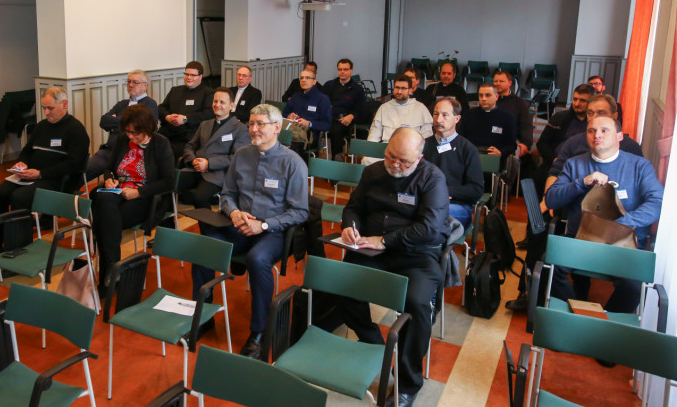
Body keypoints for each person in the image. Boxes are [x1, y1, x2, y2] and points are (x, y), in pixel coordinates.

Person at [325, 127, 450, 407]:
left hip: (416, 254)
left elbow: (430, 228)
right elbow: (353, 207)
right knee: (341, 282)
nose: (395, 164)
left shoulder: (433, 179)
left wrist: (384, 241)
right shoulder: (373, 172)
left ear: (419, 158)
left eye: (404, 161)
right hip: (370, 248)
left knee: (417, 304)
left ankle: (407, 383)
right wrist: (350, 227)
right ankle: (376, 346)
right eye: (391, 156)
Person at [506, 94, 644, 311]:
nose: (594, 118)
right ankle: (531, 292)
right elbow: (555, 171)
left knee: (631, 281)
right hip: (570, 201)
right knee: (538, 226)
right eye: (590, 113)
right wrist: (547, 199)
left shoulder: (630, 148)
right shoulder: (574, 142)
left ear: (615, 116)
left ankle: (595, 311)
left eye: (601, 113)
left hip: (610, 217)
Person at [192, 104, 309, 359]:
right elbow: (227, 194)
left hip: (273, 230)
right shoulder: (242, 155)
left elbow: (300, 211)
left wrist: (264, 225)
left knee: (257, 260)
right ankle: (202, 317)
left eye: (260, 124)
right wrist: (234, 212)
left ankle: (259, 332)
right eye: (251, 124)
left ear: (277, 128)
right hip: (240, 225)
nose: (254, 129)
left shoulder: (293, 163)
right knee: (205, 246)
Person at [544, 116, 662, 313]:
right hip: (581, 241)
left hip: (624, 245)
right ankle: (576, 316)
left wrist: (622, 222)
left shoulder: (640, 166)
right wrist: (582, 183)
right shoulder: (574, 164)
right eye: (591, 131)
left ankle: (605, 323)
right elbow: (551, 200)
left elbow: (657, 202)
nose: (597, 135)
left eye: (604, 130)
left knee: (634, 285)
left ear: (619, 136)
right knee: (549, 266)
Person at [0, 86, 90, 248]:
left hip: (56, 179)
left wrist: (41, 173)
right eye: (44, 108)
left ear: (64, 104)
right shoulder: (42, 126)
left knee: (19, 197)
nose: (46, 112)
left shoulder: (76, 129)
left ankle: (18, 248)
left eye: (50, 108)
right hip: (31, 174)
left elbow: (74, 164)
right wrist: (23, 162)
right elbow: (27, 151)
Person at [90, 104, 175, 293]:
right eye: (127, 132)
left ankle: (109, 275)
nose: (130, 136)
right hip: (118, 192)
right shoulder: (122, 140)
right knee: (104, 203)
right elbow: (109, 168)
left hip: (144, 199)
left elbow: (168, 182)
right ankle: (112, 274)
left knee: (104, 219)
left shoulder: (160, 143)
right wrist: (109, 179)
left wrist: (139, 192)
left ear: (147, 128)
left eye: (134, 133)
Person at [178, 87, 251, 210]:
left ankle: (208, 223)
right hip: (195, 169)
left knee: (198, 197)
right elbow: (189, 146)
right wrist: (193, 160)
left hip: (218, 174)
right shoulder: (205, 124)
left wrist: (208, 164)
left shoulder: (240, 129)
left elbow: (237, 158)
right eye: (215, 101)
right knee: (167, 184)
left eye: (222, 102)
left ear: (231, 106)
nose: (217, 105)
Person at [86, 70, 158, 180]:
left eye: (135, 82)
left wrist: (116, 120)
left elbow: (143, 127)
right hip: (109, 151)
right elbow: (104, 121)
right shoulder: (122, 104)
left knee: (112, 179)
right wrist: (127, 121)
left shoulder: (150, 104)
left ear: (145, 86)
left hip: (130, 153)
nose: (130, 85)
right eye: (129, 81)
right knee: (80, 172)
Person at [422, 97, 483, 228]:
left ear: (457, 119)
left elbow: (476, 190)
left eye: (445, 115)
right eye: (436, 114)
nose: (438, 120)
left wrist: (445, 191)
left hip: (455, 206)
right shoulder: (423, 145)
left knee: (432, 215)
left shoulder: (468, 149)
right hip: (425, 201)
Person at [158, 61, 214, 159]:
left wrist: (185, 119)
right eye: (187, 74)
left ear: (200, 76)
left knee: (169, 153)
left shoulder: (208, 93)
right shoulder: (175, 90)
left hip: (188, 135)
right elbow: (161, 108)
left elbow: (208, 114)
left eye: (193, 75)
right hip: (168, 132)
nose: (189, 77)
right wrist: (168, 117)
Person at [536, 83, 595, 166]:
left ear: (592, 102)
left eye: (582, 101)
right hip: (557, 162)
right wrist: (554, 159)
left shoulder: (596, 123)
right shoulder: (559, 118)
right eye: (575, 99)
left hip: (585, 165)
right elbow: (542, 143)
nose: (577, 104)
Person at [367, 74, 433, 147]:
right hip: (387, 148)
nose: (399, 91)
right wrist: (369, 149)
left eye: (403, 88)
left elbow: (427, 134)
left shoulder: (420, 108)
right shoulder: (384, 108)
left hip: (411, 148)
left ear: (410, 90)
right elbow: (374, 133)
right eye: (397, 87)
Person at [458, 82, 517, 162]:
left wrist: (501, 152)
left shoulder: (507, 118)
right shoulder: (468, 115)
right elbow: (460, 138)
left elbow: (512, 145)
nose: (483, 98)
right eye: (481, 95)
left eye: (488, 95)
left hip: (494, 158)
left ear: (496, 97)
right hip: (470, 156)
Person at [321, 58, 365, 159]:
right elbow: (320, 101)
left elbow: (361, 109)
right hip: (327, 117)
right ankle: (308, 156)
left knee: (336, 129)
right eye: (340, 69)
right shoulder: (329, 85)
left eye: (345, 69)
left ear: (351, 70)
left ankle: (337, 157)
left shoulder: (357, 89)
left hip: (344, 120)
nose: (342, 72)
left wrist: (351, 116)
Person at [282, 68, 332, 157]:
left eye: (307, 78)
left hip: (310, 135)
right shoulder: (296, 96)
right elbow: (284, 114)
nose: (304, 80)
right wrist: (289, 116)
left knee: (291, 144)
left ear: (314, 82)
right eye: (301, 78)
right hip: (293, 130)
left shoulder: (323, 99)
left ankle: (295, 165)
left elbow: (327, 124)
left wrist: (309, 123)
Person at [494, 70, 533, 157]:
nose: (497, 84)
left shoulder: (519, 103)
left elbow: (526, 126)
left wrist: (526, 144)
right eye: (495, 81)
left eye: (501, 81)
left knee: (513, 154)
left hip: (512, 139)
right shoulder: (490, 100)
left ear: (510, 83)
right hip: (491, 137)